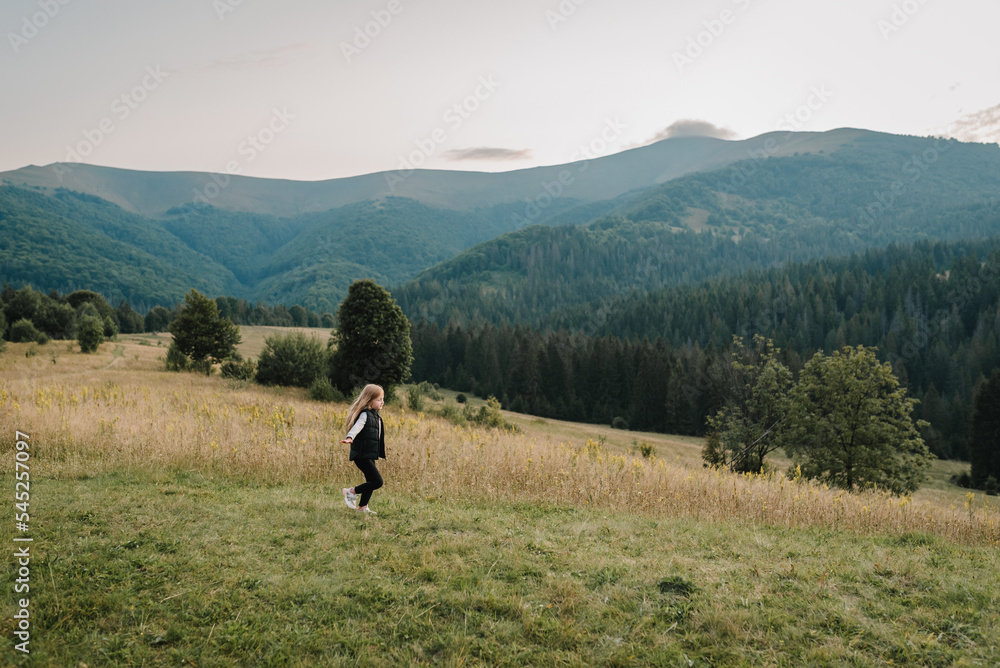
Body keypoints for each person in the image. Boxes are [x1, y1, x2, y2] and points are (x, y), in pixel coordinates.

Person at [341, 384, 386, 515]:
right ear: (369, 400)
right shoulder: (365, 415)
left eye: (383, 399)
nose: (382, 402)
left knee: (370, 481)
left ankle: (362, 508)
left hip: (369, 454)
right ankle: (351, 492)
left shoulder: (375, 415)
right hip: (362, 454)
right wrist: (350, 437)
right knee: (377, 481)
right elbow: (357, 427)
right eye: (379, 399)